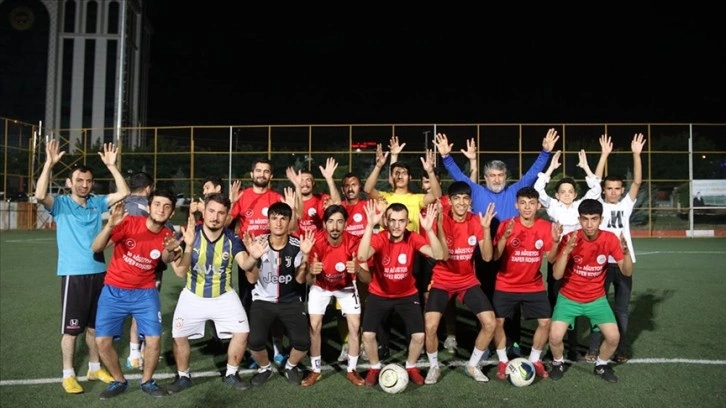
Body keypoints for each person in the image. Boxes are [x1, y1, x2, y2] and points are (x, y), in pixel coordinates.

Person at [435, 130, 559, 358]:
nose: (496, 179)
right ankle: (486, 343)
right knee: (484, 301)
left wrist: (545, 152)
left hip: (510, 255)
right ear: (485, 177)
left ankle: (512, 342)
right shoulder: (476, 192)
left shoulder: (514, 192)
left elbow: (532, 173)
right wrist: (446, 157)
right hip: (484, 254)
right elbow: (458, 176)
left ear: (505, 177)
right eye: (492, 175)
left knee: (513, 302)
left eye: (500, 175)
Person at [34, 139, 129, 394]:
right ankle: (68, 374)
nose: (84, 185)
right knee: (71, 329)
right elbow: (40, 195)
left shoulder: (97, 203)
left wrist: (112, 166)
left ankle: (95, 367)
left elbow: (123, 192)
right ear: (69, 183)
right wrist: (49, 163)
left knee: (95, 327)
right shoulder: (61, 205)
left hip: (99, 273)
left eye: (88, 181)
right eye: (79, 180)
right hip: (74, 275)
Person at [166, 193, 267, 393]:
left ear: (227, 216)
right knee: (178, 335)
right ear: (203, 211)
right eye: (211, 211)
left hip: (224, 295)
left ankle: (231, 373)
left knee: (242, 332)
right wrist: (188, 246)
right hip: (193, 294)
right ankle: (183, 376)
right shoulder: (189, 234)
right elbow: (180, 272)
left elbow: (245, 264)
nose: (215, 217)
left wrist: (254, 257)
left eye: (221, 213)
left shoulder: (232, 239)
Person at [90, 189, 180, 399]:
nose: (161, 209)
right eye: (157, 204)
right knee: (102, 341)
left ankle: (147, 381)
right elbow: (96, 247)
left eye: (167, 206)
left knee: (154, 339)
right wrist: (110, 225)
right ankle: (119, 380)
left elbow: (166, 259)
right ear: (149, 206)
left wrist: (171, 250)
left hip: (145, 293)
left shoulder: (168, 235)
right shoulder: (129, 223)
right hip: (113, 290)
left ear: (172, 213)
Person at [357, 200, 444, 387]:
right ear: (386, 221)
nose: (397, 225)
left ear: (407, 222)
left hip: (407, 295)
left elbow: (438, 255)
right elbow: (362, 256)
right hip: (379, 294)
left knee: (419, 336)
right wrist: (369, 226)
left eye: (401, 221)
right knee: (368, 335)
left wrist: (429, 230)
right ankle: (374, 367)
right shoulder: (380, 238)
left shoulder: (412, 238)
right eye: (393, 220)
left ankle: (411, 366)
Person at [548, 198, 633, 383]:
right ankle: (558, 362)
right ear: (579, 219)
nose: (589, 224)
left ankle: (601, 365)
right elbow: (556, 275)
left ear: (601, 219)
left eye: (594, 219)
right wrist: (566, 252)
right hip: (569, 298)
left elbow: (627, 272)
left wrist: (626, 254)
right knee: (554, 337)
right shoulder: (570, 238)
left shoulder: (610, 238)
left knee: (613, 337)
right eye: (585, 219)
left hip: (596, 299)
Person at [423, 182, 498, 384]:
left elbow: (487, 257)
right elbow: (443, 255)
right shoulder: (441, 219)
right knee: (430, 326)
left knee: (490, 323)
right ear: (450, 201)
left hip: (467, 281)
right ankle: (434, 367)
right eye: (456, 198)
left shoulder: (476, 221)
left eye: (465, 198)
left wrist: (486, 229)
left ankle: (472, 365)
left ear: (470, 201)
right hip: (442, 280)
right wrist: (439, 224)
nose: (461, 203)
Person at [487, 187, 563, 381]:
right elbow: (495, 256)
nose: (527, 207)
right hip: (506, 284)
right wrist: (504, 237)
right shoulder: (506, 225)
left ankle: (535, 359)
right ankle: (503, 360)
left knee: (546, 322)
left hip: (533, 285)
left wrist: (555, 242)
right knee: (498, 322)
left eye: (531, 203)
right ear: (516, 205)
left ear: (538, 206)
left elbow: (551, 258)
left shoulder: (545, 227)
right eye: (523, 203)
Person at [533, 149, 602, 360]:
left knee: (573, 302)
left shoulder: (580, 207)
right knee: (555, 302)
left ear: (575, 194)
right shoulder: (553, 206)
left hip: (577, 260)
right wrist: (550, 169)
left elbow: (596, 189)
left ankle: (573, 348)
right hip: (557, 259)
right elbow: (537, 189)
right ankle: (553, 346)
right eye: (562, 191)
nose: (566, 194)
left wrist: (586, 168)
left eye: (570, 191)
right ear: (557, 194)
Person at [227, 159, 296, 365]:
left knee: (275, 302)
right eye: (258, 170)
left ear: (271, 176)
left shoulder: (276, 198)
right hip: (250, 258)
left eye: (266, 171)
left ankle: (277, 348)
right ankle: (253, 350)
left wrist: (292, 208)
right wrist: (232, 203)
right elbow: (227, 223)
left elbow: (291, 228)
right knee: (249, 304)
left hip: (274, 257)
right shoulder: (242, 196)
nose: (262, 174)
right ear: (252, 174)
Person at [585, 133, 645, 363]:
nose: (613, 191)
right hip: (601, 265)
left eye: (617, 188)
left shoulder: (626, 205)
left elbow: (637, 182)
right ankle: (593, 348)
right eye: (609, 188)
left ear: (621, 190)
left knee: (621, 310)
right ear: (604, 190)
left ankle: (620, 349)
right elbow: (595, 180)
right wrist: (604, 155)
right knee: (597, 308)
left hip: (623, 263)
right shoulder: (598, 205)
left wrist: (636, 155)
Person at [242, 202, 315, 386]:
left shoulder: (297, 245)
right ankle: (265, 368)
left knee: (303, 342)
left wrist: (306, 256)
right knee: (254, 342)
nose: (279, 223)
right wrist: (253, 257)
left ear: (290, 222)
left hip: (290, 300)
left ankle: (290, 366)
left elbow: (300, 280)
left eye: (283, 218)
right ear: (268, 221)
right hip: (262, 300)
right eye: (274, 218)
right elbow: (251, 279)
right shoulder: (259, 243)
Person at [301, 205, 366, 387]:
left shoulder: (354, 242)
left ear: (345, 224)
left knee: (355, 326)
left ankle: (352, 370)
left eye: (339, 222)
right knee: (314, 326)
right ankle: (315, 370)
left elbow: (367, 278)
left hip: (346, 286)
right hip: (321, 286)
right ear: (324, 224)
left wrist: (358, 269)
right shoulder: (316, 242)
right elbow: (308, 281)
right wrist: (312, 272)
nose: (335, 226)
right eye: (330, 222)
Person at [123, 171, 176, 370]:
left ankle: (134, 353)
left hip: (127, 264)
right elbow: (167, 230)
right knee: (146, 308)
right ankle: (143, 350)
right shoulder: (152, 207)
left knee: (136, 308)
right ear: (148, 188)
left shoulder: (123, 205)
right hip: (150, 265)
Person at [286, 157, 341, 234]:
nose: (305, 184)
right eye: (301, 180)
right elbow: (295, 220)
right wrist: (297, 186)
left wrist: (329, 179)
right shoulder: (291, 201)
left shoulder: (321, 198)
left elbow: (337, 203)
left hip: (319, 241)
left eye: (308, 180)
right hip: (299, 241)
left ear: (313, 183)